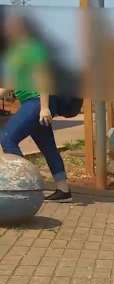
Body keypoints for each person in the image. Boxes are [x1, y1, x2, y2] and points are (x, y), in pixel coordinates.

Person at [0, 13, 72, 202]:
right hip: (34, 103)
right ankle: (64, 191)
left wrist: (44, 107)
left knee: (8, 138)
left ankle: (23, 187)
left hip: (37, 102)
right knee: (48, 147)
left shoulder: (33, 47)